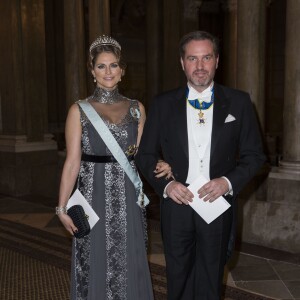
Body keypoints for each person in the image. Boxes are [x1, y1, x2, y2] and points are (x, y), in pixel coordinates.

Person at [135, 31, 266, 300]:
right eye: (192, 58)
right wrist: (167, 184)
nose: (200, 66)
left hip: (217, 206)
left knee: (210, 279)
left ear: (217, 60)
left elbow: (255, 156)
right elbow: (145, 155)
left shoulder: (239, 102)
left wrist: (226, 182)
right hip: (177, 205)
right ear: (182, 63)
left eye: (206, 57)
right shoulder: (162, 104)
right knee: (178, 277)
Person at [56, 35, 171, 300]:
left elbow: (144, 155)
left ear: (122, 71)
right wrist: (61, 208)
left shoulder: (136, 109)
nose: (108, 71)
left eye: (114, 65)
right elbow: (72, 161)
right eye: (101, 66)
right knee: (93, 259)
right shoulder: (79, 110)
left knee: (130, 258)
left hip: (129, 197)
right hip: (91, 196)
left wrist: (160, 164)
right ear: (92, 71)